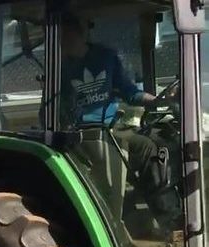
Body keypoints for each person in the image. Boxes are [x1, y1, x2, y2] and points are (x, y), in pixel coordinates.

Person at [60, 11, 180, 235]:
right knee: (145, 148)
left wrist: (160, 101)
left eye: (67, 34)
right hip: (83, 134)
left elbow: (130, 92)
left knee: (161, 143)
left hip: (111, 128)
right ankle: (155, 225)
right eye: (60, 36)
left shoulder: (105, 57)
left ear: (80, 33)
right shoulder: (59, 67)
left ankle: (163, 221)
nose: (62, 41)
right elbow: (52, 109)